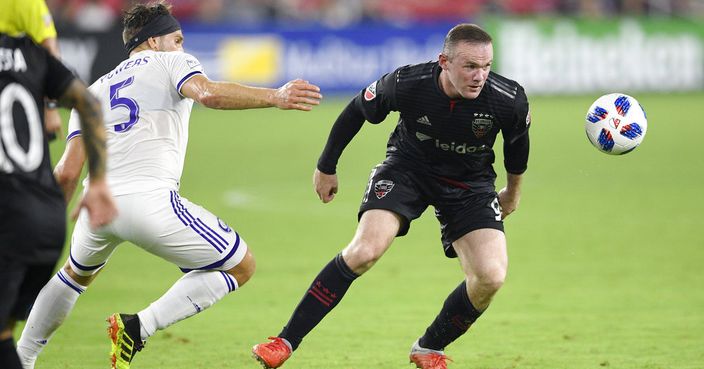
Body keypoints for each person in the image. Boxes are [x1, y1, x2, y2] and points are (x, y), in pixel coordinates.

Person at [16, 2, 322, 369]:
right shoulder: (172, 62)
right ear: (153, 41)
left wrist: (43, 226)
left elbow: (66, 172)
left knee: (73, 276)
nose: (181, 46)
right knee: (241, 266)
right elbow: (206, 93)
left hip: (96, 206)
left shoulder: (93, 89)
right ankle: (139, 326)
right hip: (150, 202)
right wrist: (276, 96)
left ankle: (22, 356)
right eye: (176, 39)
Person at [252, 23, 530, 369]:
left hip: (469, 184)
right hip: (406, 171)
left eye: (487, 66)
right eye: (470, 66)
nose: (480, 76)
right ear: (444, 61)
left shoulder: (508, 98)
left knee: (491, 276)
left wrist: (513, 194)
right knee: (365, 250)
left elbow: (517, 146)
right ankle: (284, 341)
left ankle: (429, 348)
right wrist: (326, 166)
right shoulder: (407, 83)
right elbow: (356, 110)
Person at [0, 32, 117, 369]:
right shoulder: (31, 54)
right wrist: (96, 183)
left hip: (7, 216)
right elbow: (90, 104)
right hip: (45, 218)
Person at [0, 0, 65, 138]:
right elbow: (51, 49)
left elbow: (49, 51)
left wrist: (50, 106)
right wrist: (51, 107)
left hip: (17, 100)